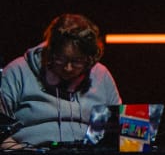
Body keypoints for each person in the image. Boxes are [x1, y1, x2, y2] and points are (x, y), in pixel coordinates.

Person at [1, 14, 122, 148]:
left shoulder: (101, 75)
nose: (68, 68)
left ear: (90, 59)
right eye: (61, 59)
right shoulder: (17, 71)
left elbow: (118, 129)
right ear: (50, 52)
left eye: (77, 61)